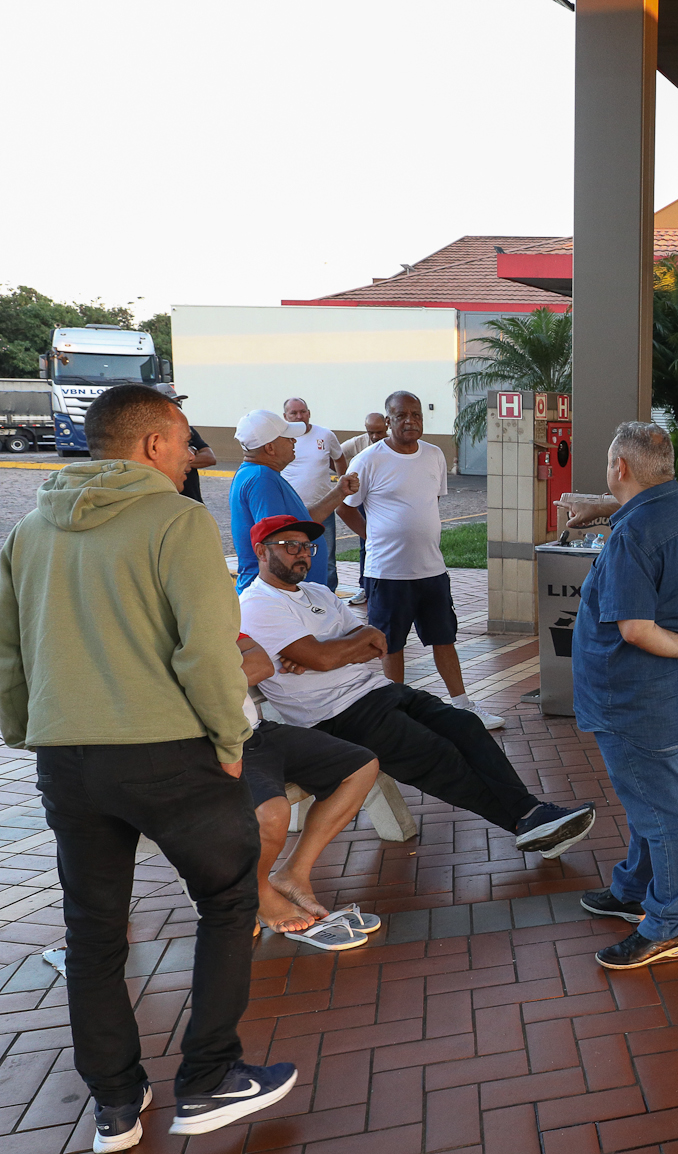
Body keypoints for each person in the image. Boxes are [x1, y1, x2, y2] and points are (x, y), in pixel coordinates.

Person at [0, 384, 296, 1146]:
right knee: (229, 901)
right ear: (154, 444)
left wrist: (26, 731)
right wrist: (231, 743)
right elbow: (206, 652)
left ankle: (115, 1107)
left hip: (67, 757)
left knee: (92, 934)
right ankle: (209, 1080)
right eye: (184, 438)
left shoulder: (30, 529)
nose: (187, 452)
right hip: (168, 755)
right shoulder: (176, 521)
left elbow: (9, 652)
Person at [238, 515, 599, 864]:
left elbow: (375, 640)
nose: (301, 553)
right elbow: (325, 656)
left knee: (466, 726)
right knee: (435, 754)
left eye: (306, 546)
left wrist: (331, 652)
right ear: (260, 551)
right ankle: (526, 819)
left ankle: (532, 817)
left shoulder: (317, 592)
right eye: (288, 546)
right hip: (335, 714)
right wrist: (331, 651)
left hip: (378, 690)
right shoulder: (258, 604)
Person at [568, 423, 678, 969]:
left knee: (665, 813)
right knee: (646, 802)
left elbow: (635, 629)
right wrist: (601, 508)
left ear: (620, 468)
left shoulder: (633, 535)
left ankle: (665, 925)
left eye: (610, 464)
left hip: (632, 699)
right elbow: (642, 508)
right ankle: (633, 890)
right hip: (661, 700)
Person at [345, 391, 504, 729]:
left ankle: (463, 705)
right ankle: (398, 712)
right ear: (388, 420)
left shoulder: (433, 455)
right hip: (387, 573)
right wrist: (369, 535)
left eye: (415, 415)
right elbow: (345, 504)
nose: (410, 421)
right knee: (392, 645)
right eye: (401, 415)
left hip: (432, 569)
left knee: (444, 638)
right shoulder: (369, 460)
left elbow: (429, 502)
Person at [236, 633, 381, 949]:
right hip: (216, 744)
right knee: (272, 812)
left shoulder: (208, 612)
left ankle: (293, 873)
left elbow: (261, 663)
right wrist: (223, 669)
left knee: (360, 765)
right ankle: (256, 892)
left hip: (257, 731)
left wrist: (201, 677)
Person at [229, 409, 361, 593]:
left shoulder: (261, 474)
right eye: (288, 438)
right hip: (278, 600)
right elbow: (278, 544)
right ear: (270, 448)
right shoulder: (262, 478)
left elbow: (300, 523)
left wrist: (339, 492)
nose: (294, 441)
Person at [281, 399, 348, 592]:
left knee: (326, 558)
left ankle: (329, 599)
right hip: (291, 511)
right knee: (291, 557)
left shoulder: (325, 435)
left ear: (309, 413)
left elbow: (339, 458)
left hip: (324, 509)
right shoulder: (281, 438)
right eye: (293, 413)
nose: (299, 416)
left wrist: (342, 486)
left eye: (303, 412)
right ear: (285, 417)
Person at [338, 413, 388, 609]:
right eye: (371, 432)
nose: (375, 436)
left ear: (387, 426)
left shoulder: (394, 443)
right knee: (366, 541)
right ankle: (365, 587)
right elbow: (336, 454)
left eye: (380, 432)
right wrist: (345, 476)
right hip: (363, 499)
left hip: (384, 499)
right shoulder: (359, 443)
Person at [157, 384, 218, 503]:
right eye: (171, 403)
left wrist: (176, 459)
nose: (177, 406)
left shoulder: (187, 430)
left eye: (178, 402)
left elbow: (210, 459)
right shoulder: (149, 434)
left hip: (193, 501)